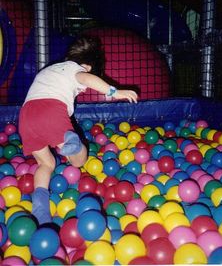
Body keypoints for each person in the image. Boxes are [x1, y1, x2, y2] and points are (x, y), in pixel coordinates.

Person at [19, 36, 138, 225]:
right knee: (78, 161)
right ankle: (72, 143)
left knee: (46, 163)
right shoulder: (77, 70)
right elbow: (85, 78)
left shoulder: (50, 69)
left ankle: (40, 211)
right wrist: (114, 92)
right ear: (88, 66)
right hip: (50, 110)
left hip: (26, 116)